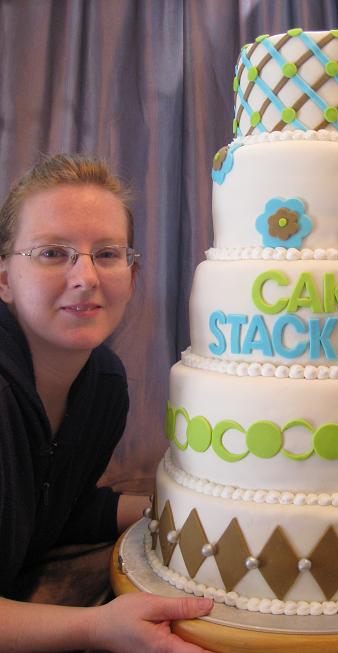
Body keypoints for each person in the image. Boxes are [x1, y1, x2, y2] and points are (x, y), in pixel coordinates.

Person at [0, 154, 214, 652]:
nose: (87, 276)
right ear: (5, 278)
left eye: (108, 254)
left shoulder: (103, 386)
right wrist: (95, 627)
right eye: (53, 253)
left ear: (133, 276)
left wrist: (175, 509)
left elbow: (49, 508)